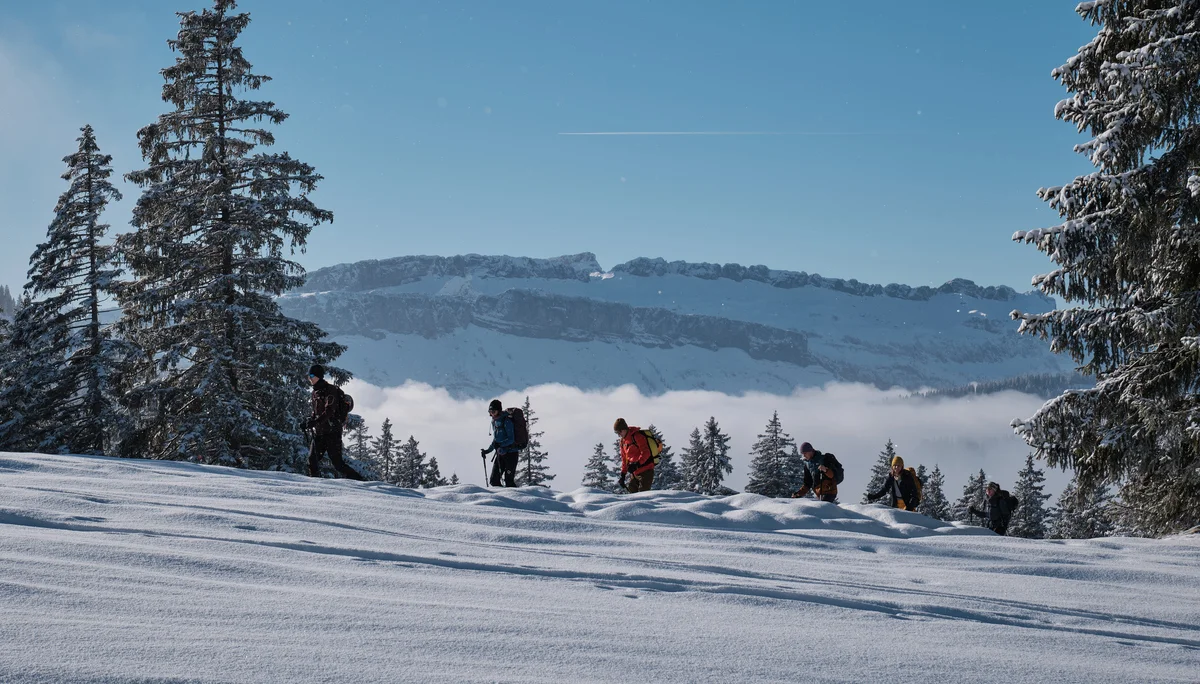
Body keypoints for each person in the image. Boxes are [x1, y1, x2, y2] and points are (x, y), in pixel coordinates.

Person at [304, 364, 364, 481]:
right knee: (312, 460)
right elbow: (316, 412)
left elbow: (329, 411)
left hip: (333, 433)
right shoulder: (315, 393)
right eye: (308, 376)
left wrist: (315, 422)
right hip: (320, 433)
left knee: (338, 464)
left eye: (311, 375)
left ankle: (361, 482)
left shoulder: (331, 390)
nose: (309, 378)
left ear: (319, 376)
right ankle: (315, 484)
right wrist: (309, 421)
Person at [481, 399, 519, 487]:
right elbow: (496, 440)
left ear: (499, 411)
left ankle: (515, 499)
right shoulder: (495, 422)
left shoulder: (507, 421)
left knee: (509, 481)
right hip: (500, 454)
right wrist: (487, 451)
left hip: (511, 454)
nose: (491, 414)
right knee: (494, 481)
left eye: (493, 412)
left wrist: (500, 445)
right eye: (490, 412)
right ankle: (500, 499)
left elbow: (511, 439)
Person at [613, 418, 656, 493]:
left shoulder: (637, 436)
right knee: (632, 496)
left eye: (619, 432)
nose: (619, 434)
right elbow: (624, 459)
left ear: (624, 429)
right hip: (635, 473)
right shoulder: (623, 442)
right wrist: (623, 475)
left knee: (643, 496)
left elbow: (646, 452)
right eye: (617, 433)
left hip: (646, 470)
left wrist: (637, 464)